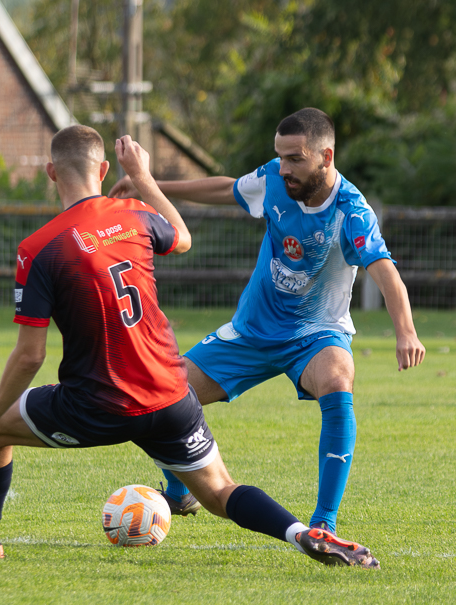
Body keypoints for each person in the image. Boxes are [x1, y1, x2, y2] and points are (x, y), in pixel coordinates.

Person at [0, 125, 380, 568]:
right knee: (221, 492)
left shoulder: (40, 247)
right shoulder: (134, 216)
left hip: (96, 402)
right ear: (103, 170)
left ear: (51, 173)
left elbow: (30, 356)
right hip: (170, 395)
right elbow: (181, 237)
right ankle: (302, 533)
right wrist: (143, 181)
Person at [109, 108, 425, 535]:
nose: (284, 168)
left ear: (325, 156)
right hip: (250, 333)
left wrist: (405, 330)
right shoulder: (275, 181)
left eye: (295, 158)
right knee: (161, 392)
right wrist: (152, 185)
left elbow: (384, 270)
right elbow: (227, 188)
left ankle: (324, 523)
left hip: (314, 334)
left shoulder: (352, 211)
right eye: (279, 157)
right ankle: (179, 490)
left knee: (337, 376)